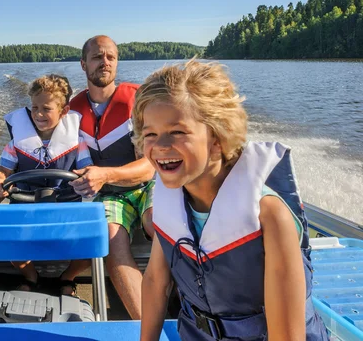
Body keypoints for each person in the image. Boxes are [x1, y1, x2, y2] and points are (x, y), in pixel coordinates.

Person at [135, 60, 328, 341]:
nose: (160, 146)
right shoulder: (168, 201)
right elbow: (155, 281)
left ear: (217, 136)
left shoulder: (270, 214)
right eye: (150, 134)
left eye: (177, 132)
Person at [0, 74, 93, 296]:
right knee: (13, 249)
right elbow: (3, 170)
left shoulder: (78, 143)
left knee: (89, 251)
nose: (38, 114)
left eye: (46, 108)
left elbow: (87, 170)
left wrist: (85, 177)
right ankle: (31, 276)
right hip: (25, 207)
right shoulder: (16, 143)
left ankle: (67, 276)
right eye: (34, 107)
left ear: (63, 111)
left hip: (66, 207)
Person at [68, 35, 155, 319]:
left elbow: (151, 165)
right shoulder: (70, 111)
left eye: (111, 57)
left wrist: (106, 174)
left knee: (160, 223)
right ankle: (148, 328)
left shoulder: (138, 102)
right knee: (111, 239)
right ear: (83, 65)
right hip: (106, 194)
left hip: (148, 183)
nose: (104, 62)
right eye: (97, 57)